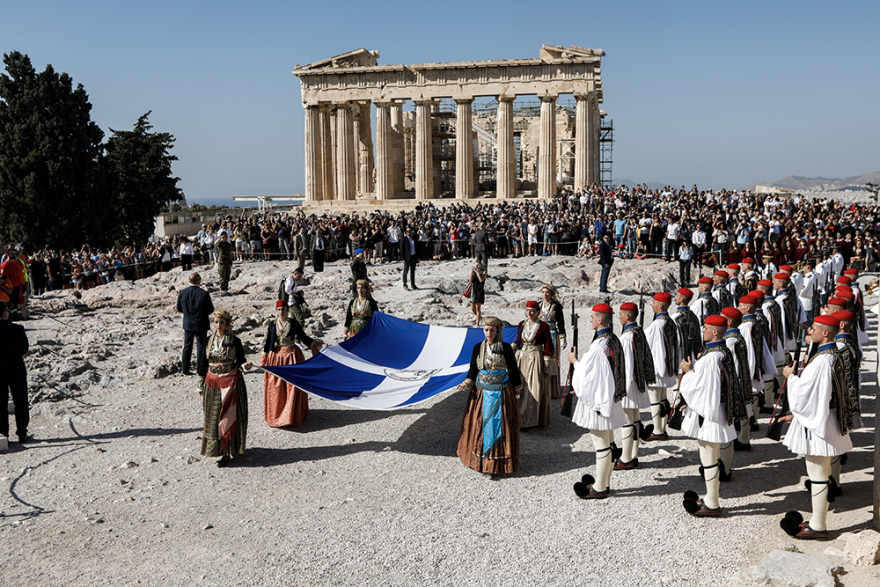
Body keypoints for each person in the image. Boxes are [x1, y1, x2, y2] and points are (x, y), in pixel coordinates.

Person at [778, 315, 857, 539]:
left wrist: (790, 377)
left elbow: (805, 394)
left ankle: (818, 525)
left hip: (818, 421)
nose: (809, 331)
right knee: (819, 471)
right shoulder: (836, 354)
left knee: (817, 473)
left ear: (826, 333)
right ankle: (816, 521)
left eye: (813, 328)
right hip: (827, 416)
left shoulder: (822, 360)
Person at [678, 315, 739, 517]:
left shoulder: (712, 358)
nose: (702, 330)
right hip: (716, 410)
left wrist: (687, 373)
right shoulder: (722, 352)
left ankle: (712, 502)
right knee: (710, 458)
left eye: (705, 328)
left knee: (709, 459)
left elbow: (703, 387)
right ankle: (710, 498)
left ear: (715, 332)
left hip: (710, 414)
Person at [570, 303, 627, 499]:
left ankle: (600, 487)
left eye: (593, 317)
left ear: (600, 319)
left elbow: (588, 374)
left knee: (601, 443)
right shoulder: (613, 339)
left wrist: (574, 362)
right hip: (610, 397)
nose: (591, 320)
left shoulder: (599, 344)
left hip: (600, 399)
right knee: (609, 441)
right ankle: (605, 481)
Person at [456, 316, 522, 475]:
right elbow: (473, 370)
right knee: (481, 425)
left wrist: (517, 390)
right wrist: (466, 383)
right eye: (486, 330)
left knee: (501, 425)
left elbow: (513, 370)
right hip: (482, 393)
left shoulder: (506, 348)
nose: (489, 333)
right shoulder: (477, 347)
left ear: (498, 331)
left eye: (492, 330)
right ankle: (481, 462)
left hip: (502, 392)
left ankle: (499, 463)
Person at [260, 300, 323, 427]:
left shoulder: (293, 323)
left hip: (292, 356)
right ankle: (276, 416)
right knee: (276, 386)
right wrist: (264, 357)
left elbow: (303, 337)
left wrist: (315, 344)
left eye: (283, 309)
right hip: (276, 357)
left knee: (292, 386)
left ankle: (291, 416)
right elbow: (268, 341)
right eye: (279, 310)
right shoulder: (272, 324)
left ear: (287, 310)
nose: (281, 312)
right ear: (276, 311)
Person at [198, 309, 248, 467]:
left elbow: (241, 360)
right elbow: (202, 363)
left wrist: (245, 365)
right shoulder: (207, 341)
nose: (218, 325)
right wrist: (200, 383)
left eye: (221, 322)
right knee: (213, 418)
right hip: (212, 384)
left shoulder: (235, 341)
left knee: (229, 418)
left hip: (231, 383)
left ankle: (228, 452)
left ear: (227, 324)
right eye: (215, 322)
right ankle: (217, 449)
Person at [616, 302, 655, 469]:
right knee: (634, 418)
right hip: (638, 381)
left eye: (620, 314)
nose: (618, 317)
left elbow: (625, 364)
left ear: (628, 316)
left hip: (629, 383)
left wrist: (621, 386)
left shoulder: (626, 337)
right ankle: (633, 455)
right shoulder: (638, 331)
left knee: (627, 420)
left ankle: (626, 458)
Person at [643, 292, 681, 441]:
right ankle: (662, 428)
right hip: (667, 366)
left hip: (658, 368)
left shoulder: (657, 324)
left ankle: (658, 431)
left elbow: (653, 346)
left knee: (655, 400)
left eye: (654, 302)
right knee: (663, 398)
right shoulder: (671, 321)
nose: (652, 305)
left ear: (660, 305)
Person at [514, 300, 554, 429]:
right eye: (527, 310)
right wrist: (512, 348)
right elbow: (517, 339)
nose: (529, 313)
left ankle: (530, 420)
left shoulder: (543, 326)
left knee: (532, 387)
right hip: (521, 357)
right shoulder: (522, 324)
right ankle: (518, 418)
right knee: (519, 385)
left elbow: (548, 345)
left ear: (538, 312)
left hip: (535, 357)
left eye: (532, 310)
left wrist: (546, 365)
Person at [0, 301, 29, 445]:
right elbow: (24, 349)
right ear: (5, 313)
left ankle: (3, 433)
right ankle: (22, 433)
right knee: (21, 401)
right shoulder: (17, 329)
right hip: (16, 368)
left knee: (0, 402)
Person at [176, 272, 214, 376]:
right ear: (198, 280)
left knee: (187, 346)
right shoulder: (203, 293)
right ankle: (200, 369)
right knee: (201, 346)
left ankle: (185, 369)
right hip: (201, 323)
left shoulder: (183, 292)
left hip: (188, 323)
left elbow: (179, 308)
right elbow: (210, 309)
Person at [538, 284, 567, 399]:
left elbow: (561, 322)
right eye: (543, 292)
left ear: (552, 294)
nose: (545, 295)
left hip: (552, 334)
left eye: (547, 292)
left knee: (552, 360)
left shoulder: (556, 306)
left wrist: (563, 337)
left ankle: (552, 390)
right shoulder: (540, 305)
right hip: (542, 335)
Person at [469, 262, 487, 326]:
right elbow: (471, 280)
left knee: (477, 308)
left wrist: (477, 273)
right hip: (473, 291)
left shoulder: (484, 272)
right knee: (473, 308)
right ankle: (480, 318)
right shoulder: (474, 272)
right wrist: (472, 272)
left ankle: (478, 323)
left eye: (478, 265)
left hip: (480, 291)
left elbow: (481, 280)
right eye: (476, 265)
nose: (477, 266)